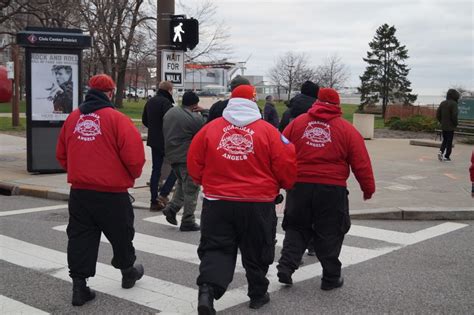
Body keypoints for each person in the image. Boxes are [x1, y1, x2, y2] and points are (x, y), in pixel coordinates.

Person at [187, 85, 297, 313]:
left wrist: (205, 182)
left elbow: (194, 162)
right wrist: (285, 184)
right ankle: (257, 294)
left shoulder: (210, 129)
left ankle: (207, 290)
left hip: (218, 201)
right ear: (254, 102)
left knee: (216, 248)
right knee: (257, 248)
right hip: (257, 203)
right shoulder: (268, 131)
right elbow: (286, 163)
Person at [56, 74, 146, 306]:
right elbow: (134, 157)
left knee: (80, 237)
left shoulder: (73, 118)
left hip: (81, 191)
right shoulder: (117, 119)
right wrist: (129, 176)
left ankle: (79, 286)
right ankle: (128, 271)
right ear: (110, 92)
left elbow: (62, 154)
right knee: (121, 234)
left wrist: (80, 171)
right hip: (112, 192)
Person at [276, 88, 375, 291]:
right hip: (332, 188)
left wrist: (280, 181)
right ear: (337, 105)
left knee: (296, 227)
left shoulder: (298, 123)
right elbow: (361, 161)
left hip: (300, 186)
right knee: (331, 230)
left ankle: (286, 266)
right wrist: (368, 188)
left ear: (317, 102)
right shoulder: (346, 129)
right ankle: (330, 278)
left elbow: (281, 151)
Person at [161, 91, 208, 232]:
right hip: (186, 157)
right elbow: (204, 127)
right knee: (192, 189)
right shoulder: (192, 118)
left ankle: (172, 209)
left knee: (182, 184)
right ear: (194, 105)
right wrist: (205, 112)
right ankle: (188, 220)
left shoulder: (171, 112)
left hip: (172, 155)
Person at [142, 81, 178, 211]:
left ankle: (153, 200)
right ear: (169, 90)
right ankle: (163, 194)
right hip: (166, 141)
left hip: (153, 140)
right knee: (176, 167)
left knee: (155, 170)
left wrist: (153, 129)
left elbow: (144, 120)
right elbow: (171, 121)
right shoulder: (166, 103)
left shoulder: (150, 101)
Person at [436, 89, 460, 162]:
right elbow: (454, 115)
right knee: (449, 141)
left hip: (444, 126)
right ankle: (447, 156)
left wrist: (441, 121)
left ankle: (441, 151)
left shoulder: (443, 103)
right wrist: (455, 124)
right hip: (451, 126)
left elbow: (438, 114)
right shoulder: (454, 104)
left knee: (445, 140)